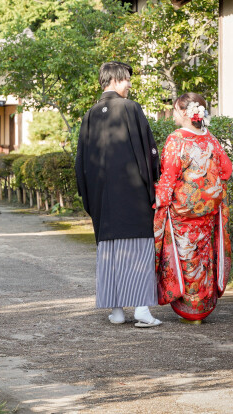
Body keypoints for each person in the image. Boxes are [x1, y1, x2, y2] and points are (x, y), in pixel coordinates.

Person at [75, 61, 162, 328]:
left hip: (102, 196)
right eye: (127, 79)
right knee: (138, 250)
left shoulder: (90, 114)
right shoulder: (130, 108)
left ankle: (117, 311)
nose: (129, 84)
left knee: (110, 251)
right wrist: (153, 185)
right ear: (115, 80)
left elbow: (81, 163)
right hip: (132, 193)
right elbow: (147, 152)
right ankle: (142, 310)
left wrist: (90, 197)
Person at [153, 93, 233, 324]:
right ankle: (202, 307)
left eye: (175, 110)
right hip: (207, 210)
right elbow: (226, 169)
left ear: (185, 113)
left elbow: (168, 176)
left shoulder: (177, 139)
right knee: (203, 255)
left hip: (184, 212)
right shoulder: (210, 139)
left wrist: (159, 201)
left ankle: (190, 309)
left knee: (186, 255)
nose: (173, 114)